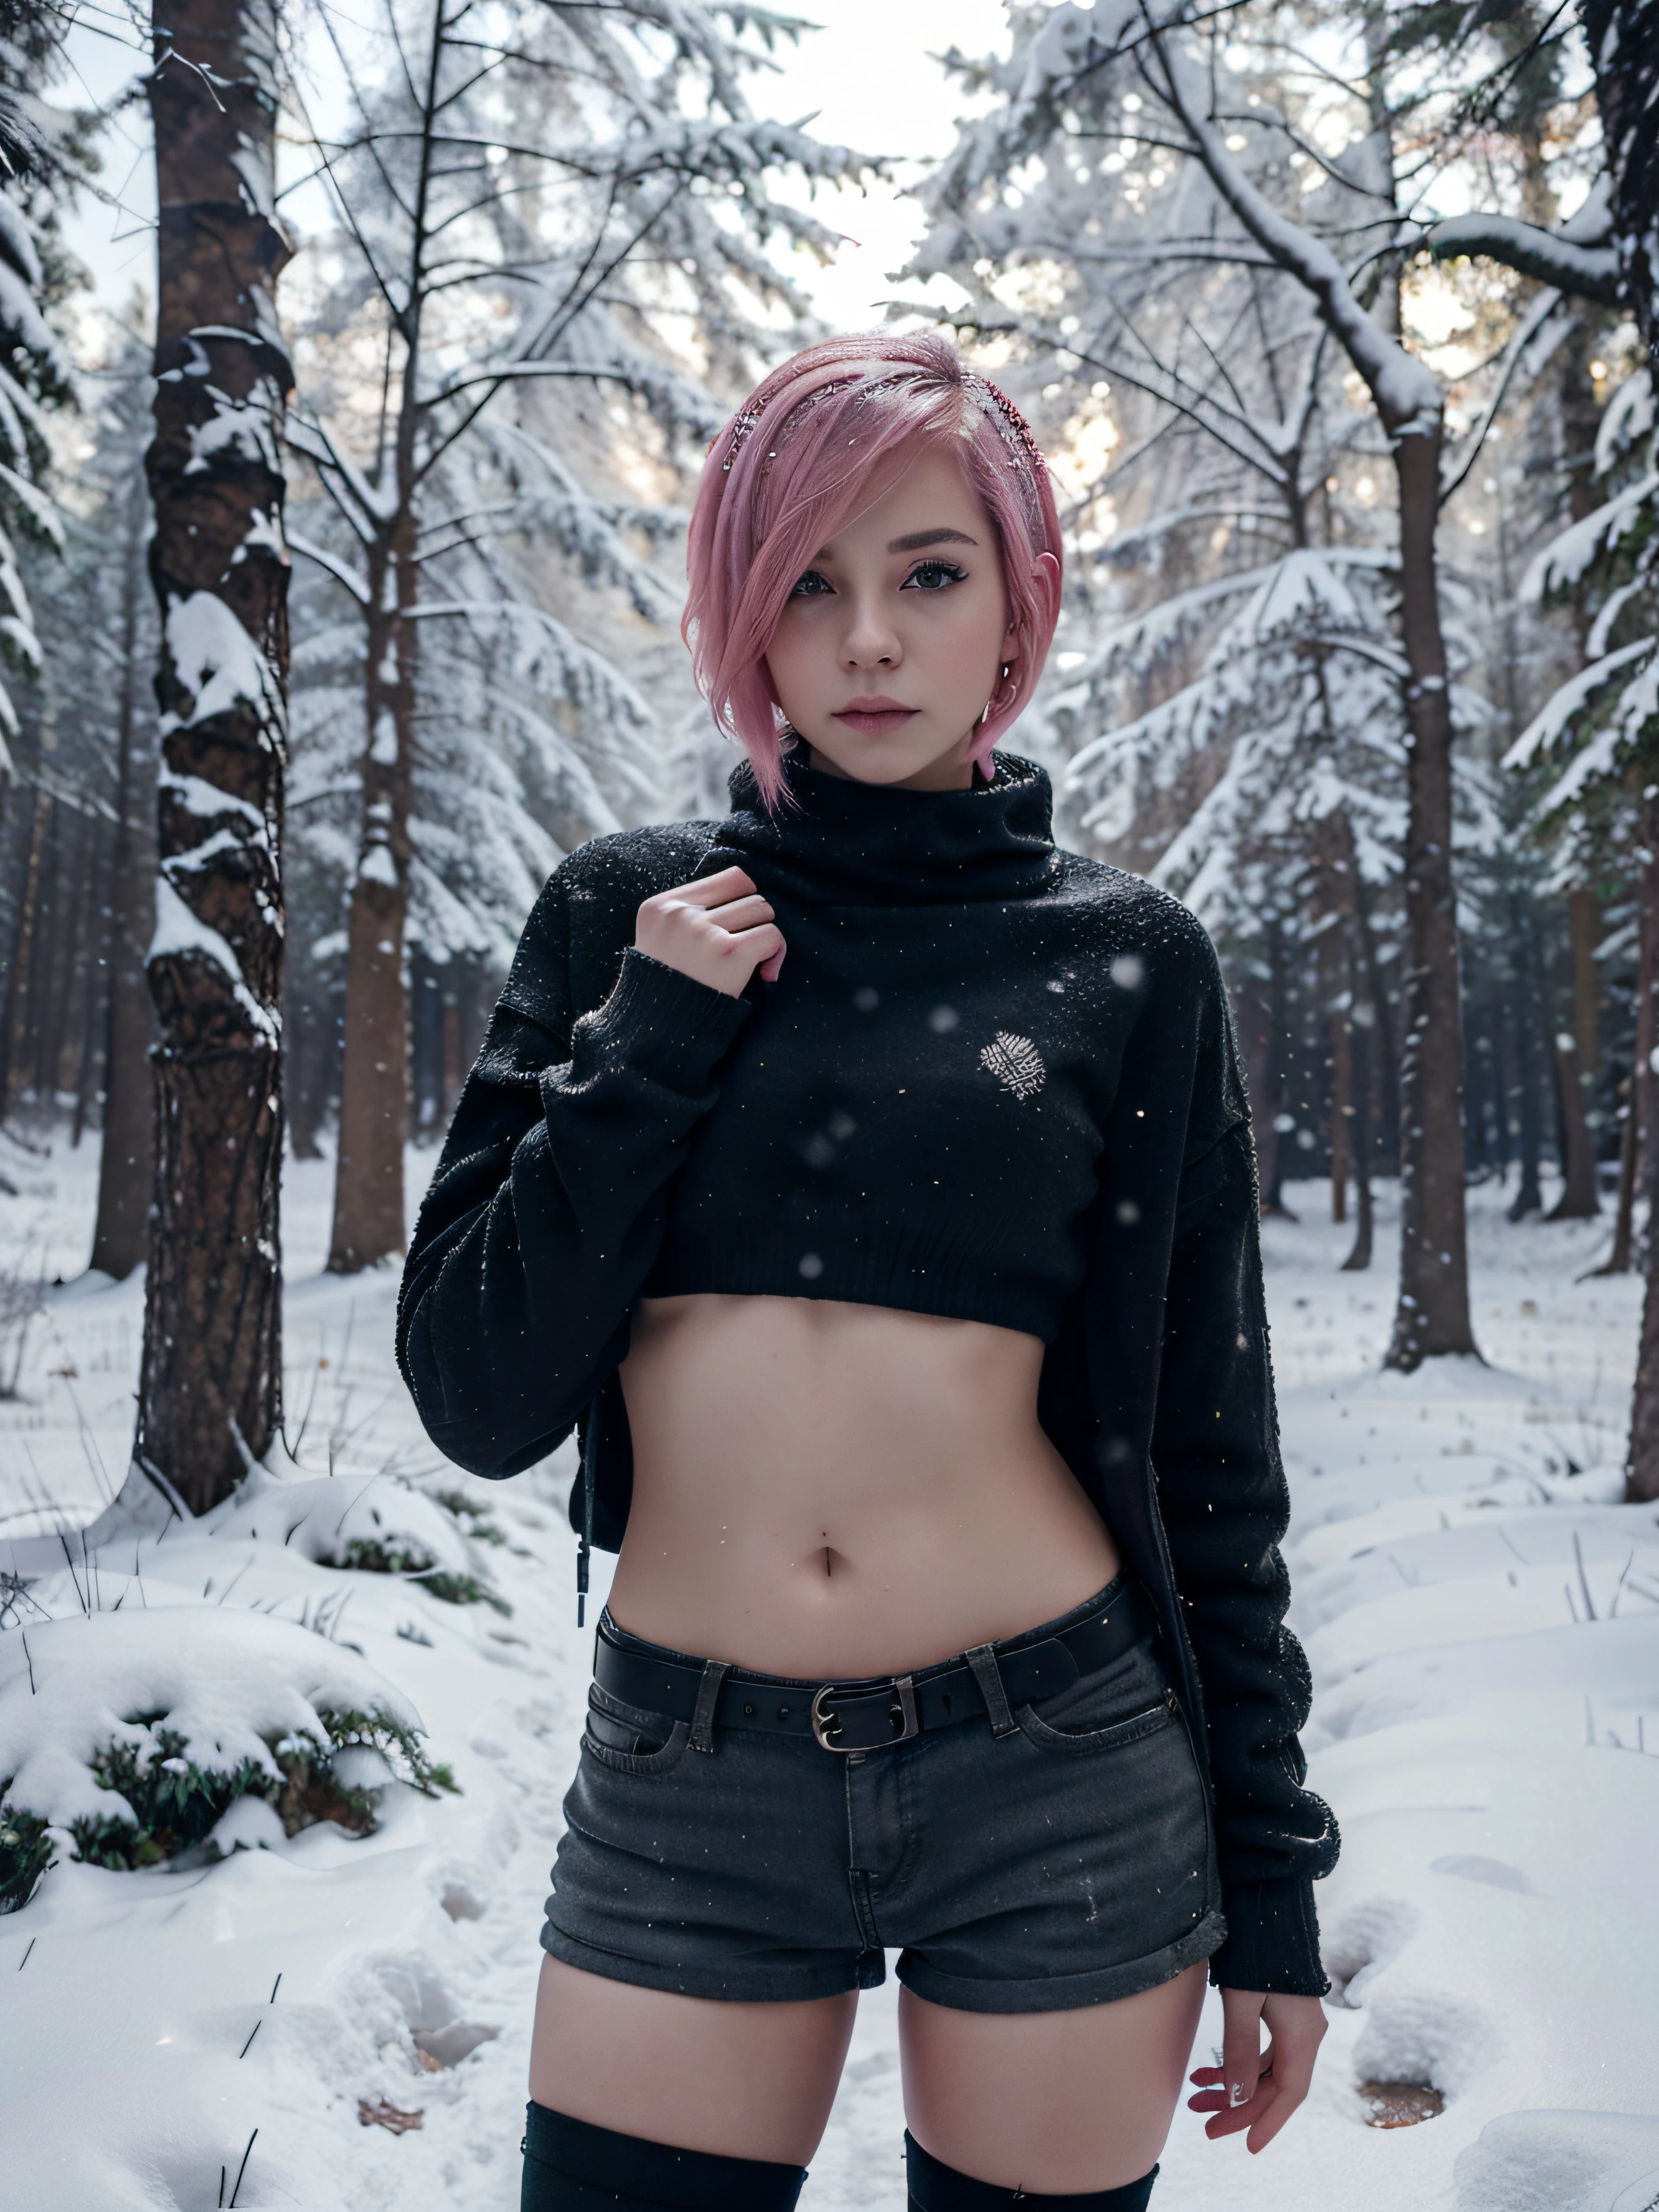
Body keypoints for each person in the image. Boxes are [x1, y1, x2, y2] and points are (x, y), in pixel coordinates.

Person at [397, 332, 1338, 2212]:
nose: (869, 642)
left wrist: (1277, 1889)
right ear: (745, 616)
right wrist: (654, 1035)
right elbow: (478, 1389)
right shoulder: (624, 916)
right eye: (808, 583)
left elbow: (1208, 1447)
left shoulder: (1126, 961)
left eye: (926, 572)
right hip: (691, 1776)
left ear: (1017, 600)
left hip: (1059, 1762)